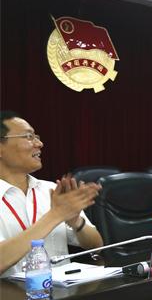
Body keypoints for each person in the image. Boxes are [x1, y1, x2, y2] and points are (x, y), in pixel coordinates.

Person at [0, 111, 103, 275]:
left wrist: (76, 222)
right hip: (12, 292)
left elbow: (97, 246)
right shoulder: (59, 205)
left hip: (63, 290)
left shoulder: (51, 191)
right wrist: (56, 215)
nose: (39, 144)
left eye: (36, 137)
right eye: (29, 137)